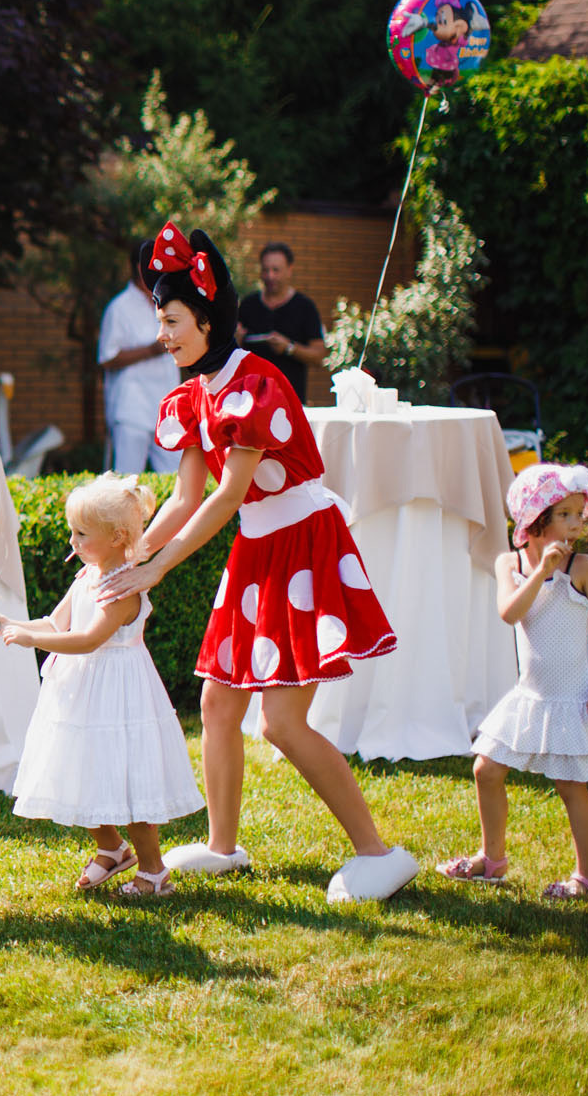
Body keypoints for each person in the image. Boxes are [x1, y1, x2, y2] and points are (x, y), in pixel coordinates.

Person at [99, 222, 417, 903]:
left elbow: (227, 494)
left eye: (173, 319)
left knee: (280, 721)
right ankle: (222, 845)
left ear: (209, 319)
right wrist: (131, 553)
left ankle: (379, 850)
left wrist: (159, 567)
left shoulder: (257, 383)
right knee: (218, 701)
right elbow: (186, 496)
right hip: (260, 547)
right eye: (160, 320)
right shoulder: (195, 395)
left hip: (304, 542)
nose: (164, 334)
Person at [0, 474, 202, 898]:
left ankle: (153, 871)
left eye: (81, 534)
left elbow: (89, 639)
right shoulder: (87, 576)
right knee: (78, 767)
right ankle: (111, 848)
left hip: (118, 693)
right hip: (80, 691)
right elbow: (57, 623)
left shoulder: (123, 589)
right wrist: (13, 625)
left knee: (126, 779)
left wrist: (33, 641)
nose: (72, 541)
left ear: (117, 537)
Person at [439, 464, 588, 899]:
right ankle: (493, 859)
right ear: (535, 520)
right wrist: (540, 574)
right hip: (531, 697)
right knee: (486, 768)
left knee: (570, 785)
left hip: (571, 696)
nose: (578, 523)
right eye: (566, 514)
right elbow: (510, 613)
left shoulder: (584, 567)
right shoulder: (511, 563)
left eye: (580, 513)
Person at [98, 245, 181, 475]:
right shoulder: (119, 307)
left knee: (176, 478)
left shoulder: (167, 301)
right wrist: (150, 350)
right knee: (127, 479)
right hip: (131, 408)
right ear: (140, 267)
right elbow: (107, 358)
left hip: (167, 406)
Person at [235, 243, 327, 403]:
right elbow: (232, 354)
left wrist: (289, 348)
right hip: (250, 400)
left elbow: (319, 355)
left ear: (289, 270)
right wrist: (235, 341)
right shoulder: (248, 304)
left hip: (289, 401)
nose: (270, 276)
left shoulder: (305, 306)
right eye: (265, 270)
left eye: (276, 270)